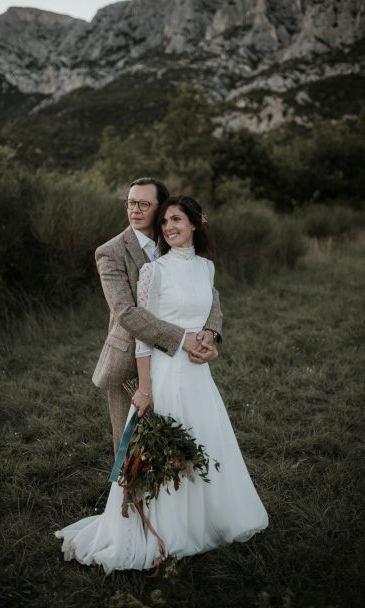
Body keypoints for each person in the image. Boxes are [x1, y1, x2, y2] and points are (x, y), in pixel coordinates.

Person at [55, 195, 268, 572]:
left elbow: (208, 309)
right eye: (165, 221)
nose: (169, 227)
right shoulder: (155, 271)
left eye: (177, 220)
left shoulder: (207, 268)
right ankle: (162, 528)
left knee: (204, 440)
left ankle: (208, 521)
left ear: (196, 224)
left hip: (197, 375)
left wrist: (207, 336)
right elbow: (139, 333)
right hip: (166, 372)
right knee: (165, 450)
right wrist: (146, 387)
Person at [92, 177, 222, 453]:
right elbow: (126, 312)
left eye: (143, 204)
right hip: (128, 360)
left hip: (178, 365)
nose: (134, 210)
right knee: (132, 447)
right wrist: (181, 339)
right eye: (130, 203)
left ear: (160, 207)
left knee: (178, 444)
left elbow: (208, 292)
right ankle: (130, 497)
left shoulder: (175, 237)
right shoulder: (111, 252)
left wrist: (209, 334)